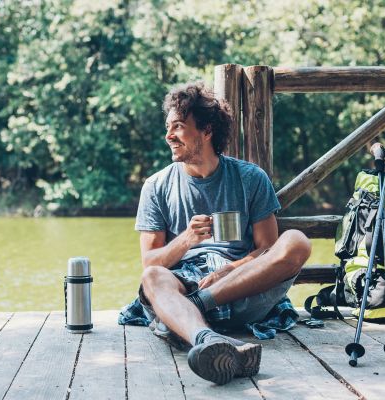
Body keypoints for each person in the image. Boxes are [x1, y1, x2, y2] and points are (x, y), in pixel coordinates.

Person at [128, 81, 311, 385]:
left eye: (178, 126)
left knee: (296, 241)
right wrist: (187, 239)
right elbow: (150, 262)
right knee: (152, 278)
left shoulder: (251, 178)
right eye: (168, 127)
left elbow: (267, 249)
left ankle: (198, 310)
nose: (169, 135)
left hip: (244, 289)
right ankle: (207, 339)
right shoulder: (156, 186)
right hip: (186, 287)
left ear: (207, 130)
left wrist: (231, 270)